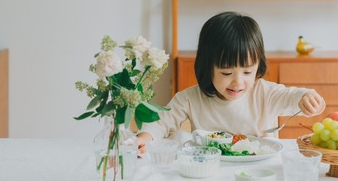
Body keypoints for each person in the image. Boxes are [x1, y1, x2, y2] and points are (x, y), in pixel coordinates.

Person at [137, 11, 325, 148]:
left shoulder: (265, 93)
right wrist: (145, 137)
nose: (238, 82)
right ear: (207, 67)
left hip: (261, 171)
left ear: (258, 66)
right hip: (211, 172)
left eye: (247, 72)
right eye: (226, 74)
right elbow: (161, 122)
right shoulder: (191, 98)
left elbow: (292, 97)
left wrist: (307, 98)